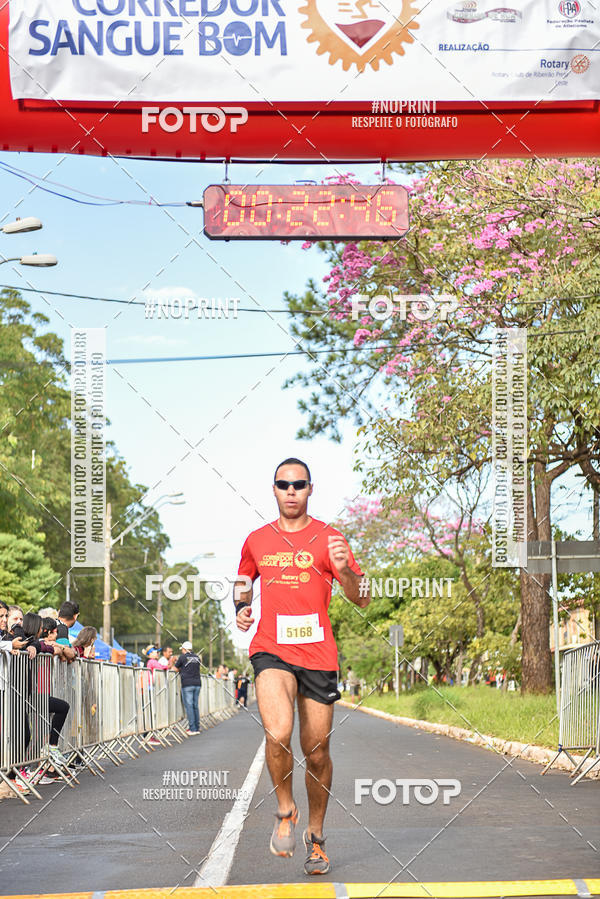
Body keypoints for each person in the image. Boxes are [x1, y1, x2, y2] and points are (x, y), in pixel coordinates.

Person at [235, 457, 369, 875]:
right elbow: (243, 578)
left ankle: (316, 838)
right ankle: (285, 808)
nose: (290, 490)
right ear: (273, 490)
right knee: (277, 732)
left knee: (317, 752)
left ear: (311, 489)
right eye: (283, 484)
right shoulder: (257, 539)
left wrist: (345, 571)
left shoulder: (330, 539)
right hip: (271, 649)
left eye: (299, 484)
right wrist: (241, 606)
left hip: (318, 654)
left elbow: (362, 596)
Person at [175, 641, 202, 735]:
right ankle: (197, 727)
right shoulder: (197, 657)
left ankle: (192, 728)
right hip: (197, 683)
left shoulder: (182, 657)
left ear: (184, 649)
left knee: (189, 706)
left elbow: (175, 668)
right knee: (195, 706)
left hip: (187, 683)